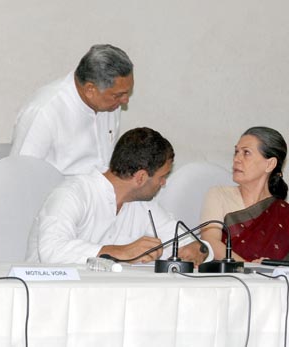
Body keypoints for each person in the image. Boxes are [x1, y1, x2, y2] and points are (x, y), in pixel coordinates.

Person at [26, 127, 212, 265]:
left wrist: (198, 250)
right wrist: (119, 252)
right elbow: (51, 251)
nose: (163, 183)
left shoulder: (144, 206)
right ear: (140, 177)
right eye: (162, 177)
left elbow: (185, 242)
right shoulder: (72, 194)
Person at [200, 126, 289, 262]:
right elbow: (210, 242)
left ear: (270, 164)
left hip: (273, 283)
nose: (237, 159)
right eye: (236, 152)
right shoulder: (219, 194)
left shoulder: (284, 216)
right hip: (227, 280)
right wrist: (249, 268)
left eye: (246, 153)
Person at [11, 44, 134, 175]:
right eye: (118, 95)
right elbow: (21, 175)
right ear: (90, 90)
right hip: (56, 192)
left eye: (127, 93)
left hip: (100, 190)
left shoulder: (111, 104)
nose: (125, 100)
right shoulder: (44, 111)